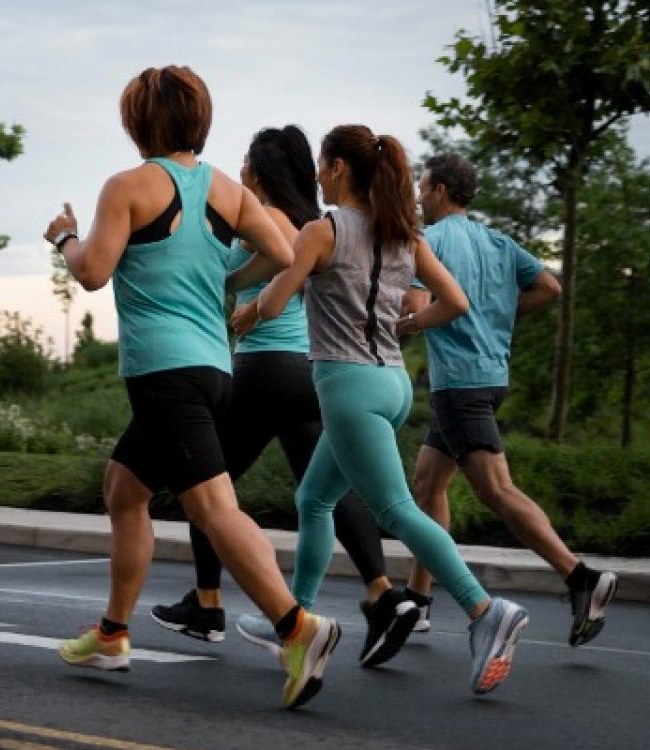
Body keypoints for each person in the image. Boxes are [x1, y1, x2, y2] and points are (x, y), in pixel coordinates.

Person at [42, 66, 340, 709]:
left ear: (137, 121)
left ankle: (298, 628)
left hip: (163, 373)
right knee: (125, 489)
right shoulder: (227, 191)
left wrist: (64, 237)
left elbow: (93, 271)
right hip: (212, 367)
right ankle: (115, 633)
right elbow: (286, 253)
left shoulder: (127, 186)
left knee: (212, 507)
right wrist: (226, 283)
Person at [240, 124, 529, 696]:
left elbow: (274, 302)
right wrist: (407, 325)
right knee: (314, 497)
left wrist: (240, 314)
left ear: (340, 168)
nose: (318, 175)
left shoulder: (323, 231)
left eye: (323, 165)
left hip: (347, 386)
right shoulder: (404, 233)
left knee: (396, 510)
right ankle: (294, 618)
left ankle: (485, 611)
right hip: (393, 383)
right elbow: (456, 302)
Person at [149, 125, 418, 669]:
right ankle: (382, 593)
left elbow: (236, 272)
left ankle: (207, 606)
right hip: (307, 374)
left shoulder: (269, 220)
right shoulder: (309, 222)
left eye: (247, 161)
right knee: (323, 491)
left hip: (266, 369)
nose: (241, 168)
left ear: (261, 171)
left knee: (205, 482)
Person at [402, 152, 617, 646]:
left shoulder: (429, 242)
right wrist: (498, 315)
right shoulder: (497, 241)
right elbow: (549, 286)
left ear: (440, 191)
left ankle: (580, 576)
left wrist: (402, 322)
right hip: (490, 377)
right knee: (427, 482)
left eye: (423, 187)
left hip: (459, 383)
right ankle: (418, 598)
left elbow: (414, 307)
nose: (417, 196)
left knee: (496, 490)